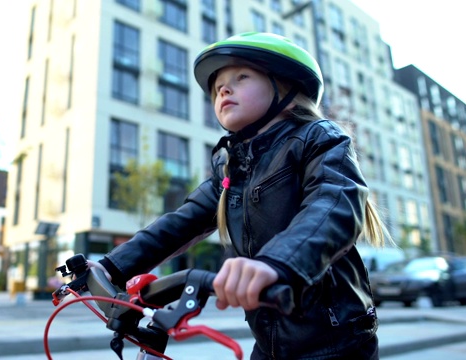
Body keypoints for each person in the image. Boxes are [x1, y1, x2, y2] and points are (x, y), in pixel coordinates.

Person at [93, 32, 391, 359]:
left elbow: (334, 203)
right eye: (218, 85)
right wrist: (110, 266)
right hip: (268, 345)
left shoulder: (317, 139)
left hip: (336, 343)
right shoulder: (232, 168)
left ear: (288, 90)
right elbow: (181, 223)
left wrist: (277, 263)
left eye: (242, 77)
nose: (223, 88)